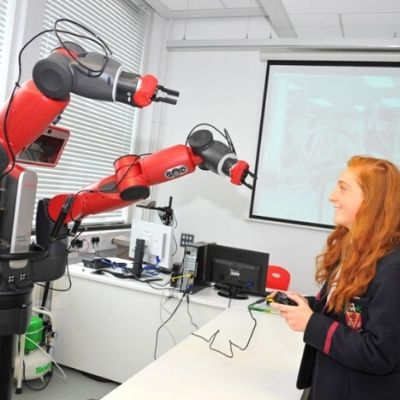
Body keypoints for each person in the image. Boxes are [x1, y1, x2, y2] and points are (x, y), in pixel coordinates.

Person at [271, 155, 400, 400]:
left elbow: (380, 354)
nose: (332, 196)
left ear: (371, 200)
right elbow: (346, 313)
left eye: (343, 188)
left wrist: (311, 323)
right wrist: (306, 305)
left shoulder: (394, 267)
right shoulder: (352, 248)